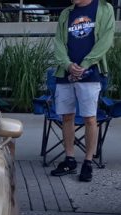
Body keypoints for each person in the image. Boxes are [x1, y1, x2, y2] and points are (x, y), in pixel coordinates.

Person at [49, 0, 115, 182]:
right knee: (67, 116)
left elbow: (106, 40)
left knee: (90, 118)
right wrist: (68, 65)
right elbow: (58, 42)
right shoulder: (66, 13)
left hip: (91, 73)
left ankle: (87, 162)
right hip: (66, 73)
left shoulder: (104, 8)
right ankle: (69, 159)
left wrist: (85, 64)